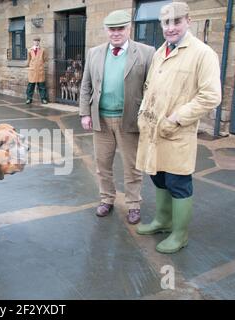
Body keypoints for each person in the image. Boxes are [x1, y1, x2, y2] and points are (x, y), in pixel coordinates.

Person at [135, 2, 221, 253]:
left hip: (177, 132)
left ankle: (180, 234)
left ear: (188, 21)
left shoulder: (202, 53)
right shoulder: (161, 51)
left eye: (176, 22)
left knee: (178, 182)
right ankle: (163, 221)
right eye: (166, 23)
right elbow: (150, 86)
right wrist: (143, 114)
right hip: (153, 131)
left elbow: (210, 96)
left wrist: (176, 118)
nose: (170, 28)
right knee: (158, 177)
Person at [79, 10, 155, 224]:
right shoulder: (94, 52)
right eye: (112, 29)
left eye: (120, 28)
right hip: (101, 120)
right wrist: (85, 113)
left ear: (129, 28)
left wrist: (147, 116)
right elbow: (86, 85)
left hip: (129, 120)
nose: (116, 33)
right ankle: (106, 199)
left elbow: (152, 88)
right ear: (106, 31)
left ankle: (133, 204)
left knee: (132, 167)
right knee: (102, 165)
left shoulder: (146, 52)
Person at [26, 36, 48, 104]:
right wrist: (29, 66)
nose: (36, 42)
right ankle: (29, 99)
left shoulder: (43, 50)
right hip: (32, 70)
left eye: (38, 41)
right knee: (30, 86)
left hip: (40, 70)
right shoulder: (30, 50)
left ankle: (43, 99)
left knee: (42, 86)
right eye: (35, 41)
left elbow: (45, 59)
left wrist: (40, 64)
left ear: (39, 42)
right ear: (33, 42)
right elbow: (28, 60)